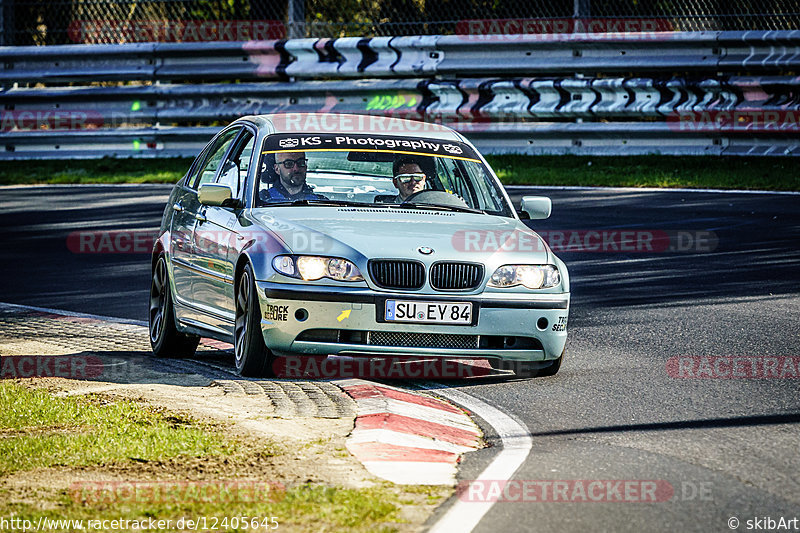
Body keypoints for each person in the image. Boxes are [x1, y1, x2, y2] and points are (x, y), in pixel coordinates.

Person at [260, 152, 326, 203]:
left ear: (306, 167)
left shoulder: (321, 202)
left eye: (301, 162)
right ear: (277, 169)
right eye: (288, 164)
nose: (296, 168)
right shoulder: (262, 200)